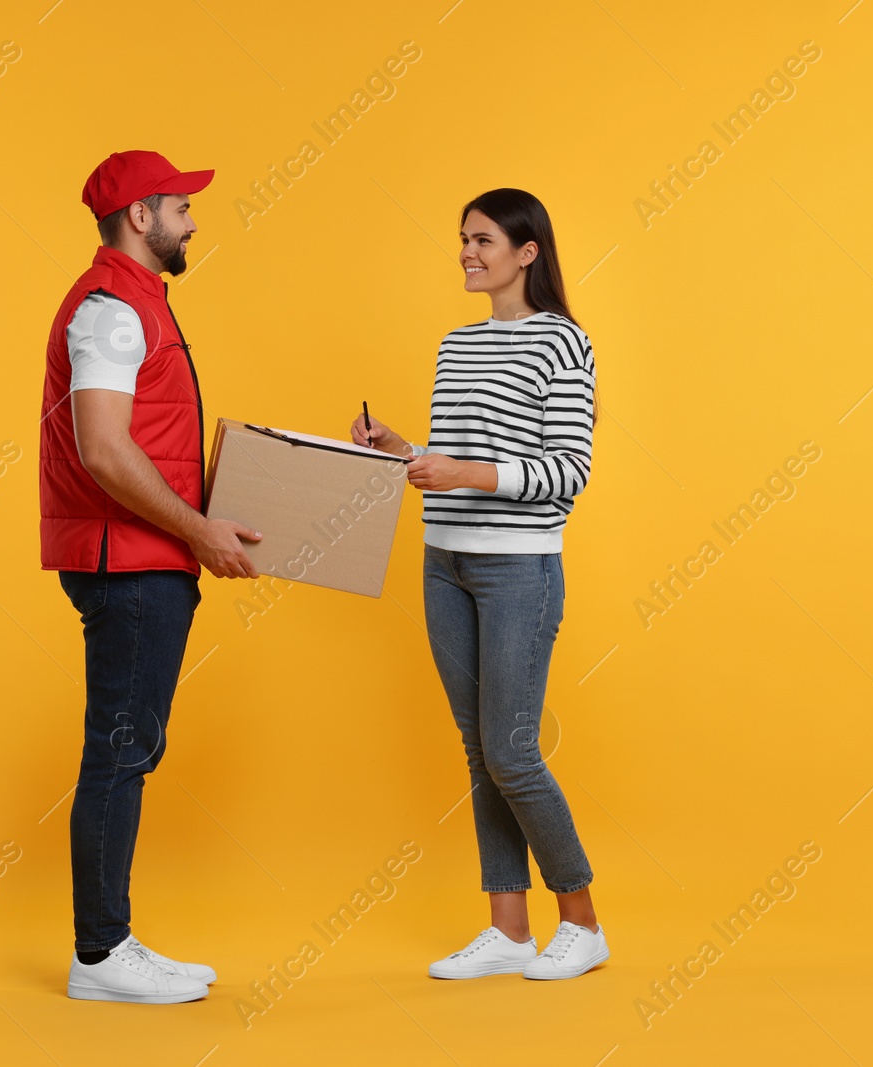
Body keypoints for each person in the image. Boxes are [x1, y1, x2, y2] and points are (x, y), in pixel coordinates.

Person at [350, 188, 608, 981]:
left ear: (527, 252)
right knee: (479, 751)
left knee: (513, 750)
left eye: (482, 239)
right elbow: (461, 451)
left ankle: (584, 921)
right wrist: (405, 447)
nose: (466, 251)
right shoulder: (456, 345)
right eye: (462, 238)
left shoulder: (564, 344)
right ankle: (508, 930)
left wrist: (459, 470)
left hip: (518, 569)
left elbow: (569, 469)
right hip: (444, 561)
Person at [41, 150, 262, 1004]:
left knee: (129, 748)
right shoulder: (111, 311)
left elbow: (147, 444)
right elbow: (102, 449)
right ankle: (99, 956)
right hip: (128, 563)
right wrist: (200, 528)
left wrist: (218, 507)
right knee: (120, 752)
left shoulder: (136, 304)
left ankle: (114, 942)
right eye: (182, 207)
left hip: (145, 556)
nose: (193, 221)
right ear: (142, 215)